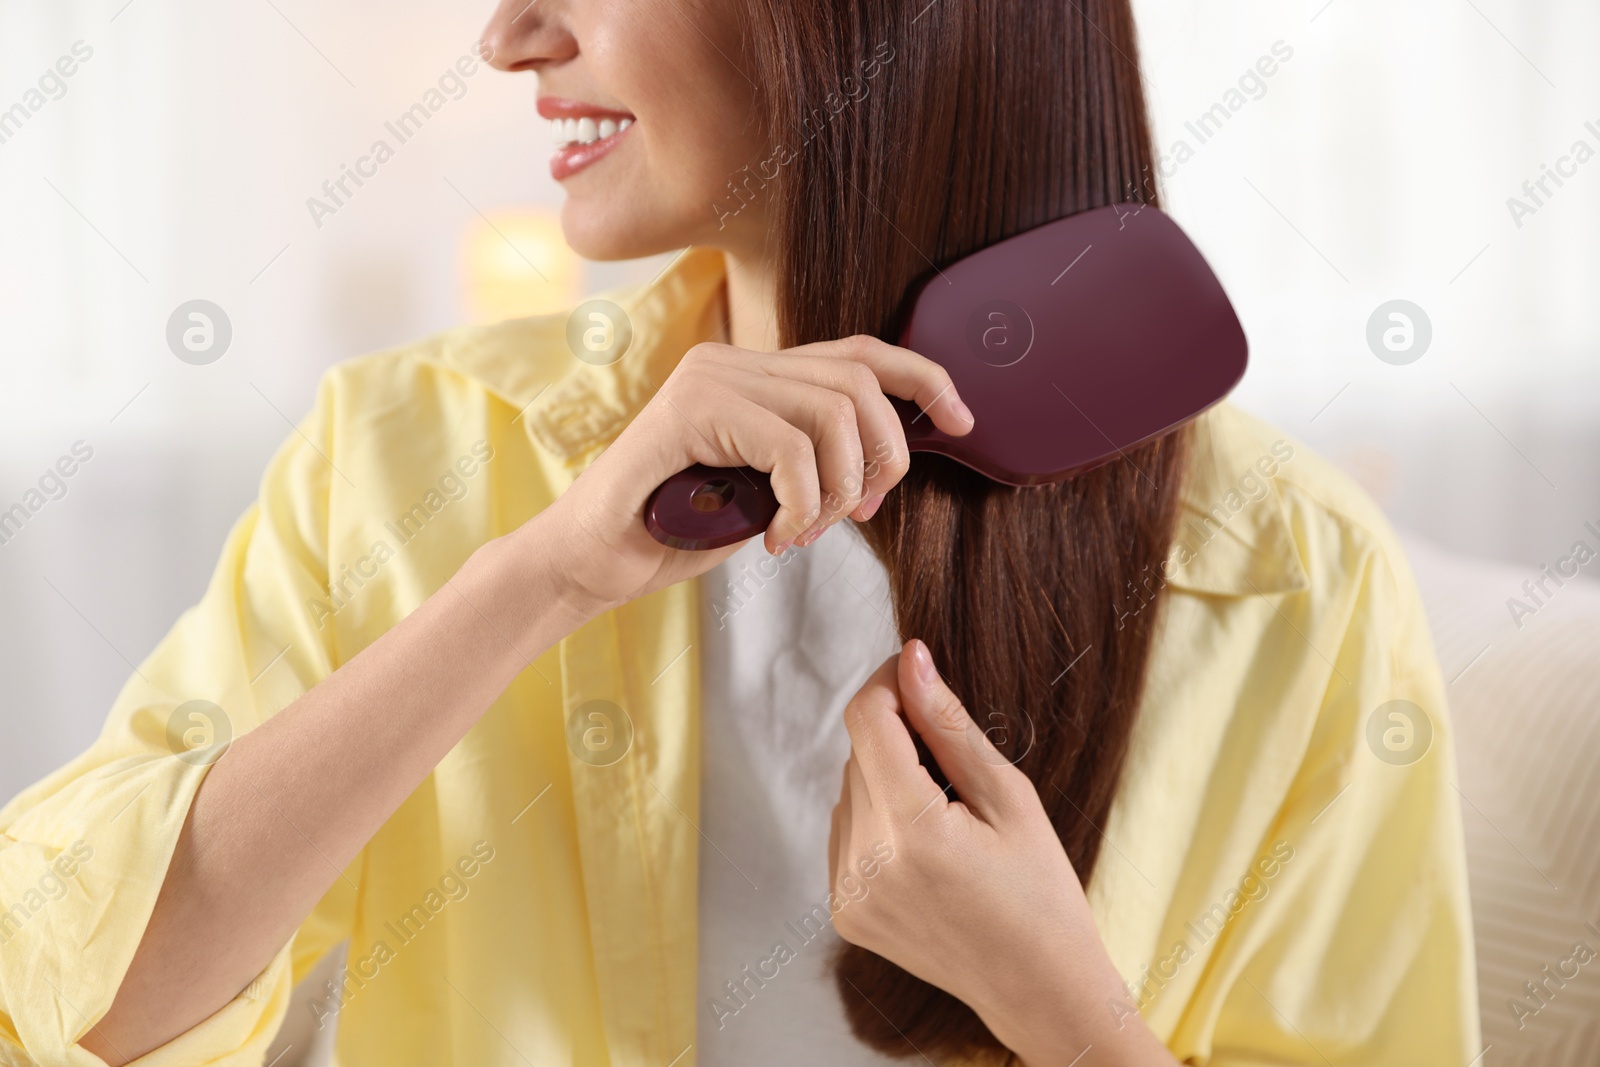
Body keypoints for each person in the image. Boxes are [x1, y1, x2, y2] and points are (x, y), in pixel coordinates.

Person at [0, 0, 1480, 1064]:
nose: (510, 33)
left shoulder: (1292, 576)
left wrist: (1062, 1013)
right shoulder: (403, 458)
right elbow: (78, 999)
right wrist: (541, 576)